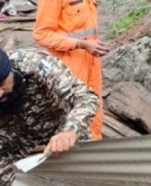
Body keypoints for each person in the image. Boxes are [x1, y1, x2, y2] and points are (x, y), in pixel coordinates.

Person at [33, 0, 107, 140]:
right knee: (72, 112)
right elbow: (42, 34)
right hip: (68, 65)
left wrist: (88, 45)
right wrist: (80, 44)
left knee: (93, 108)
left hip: (90, 59)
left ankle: (95, 149)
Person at [0, 47, 100, 186]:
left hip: (59, 126)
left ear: (10, 70)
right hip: (12, 138)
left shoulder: (34, 62)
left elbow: (85, 96)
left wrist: (71, 130)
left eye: (2, 84)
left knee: (87, 173)